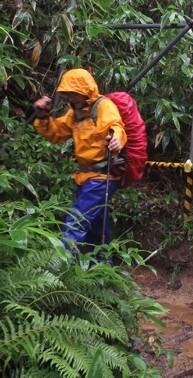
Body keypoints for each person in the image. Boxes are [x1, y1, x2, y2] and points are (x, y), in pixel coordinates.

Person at [33, 68, 126, 253]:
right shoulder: (74, 113)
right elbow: (56, 134)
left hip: (101, 177)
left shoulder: (103, 106)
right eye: (69, 94)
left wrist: (115, 139)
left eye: (76, 93)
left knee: (76, 220)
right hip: (84, 177)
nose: (73, 97)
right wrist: (42, 116)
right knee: (96, 227)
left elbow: (116, 126)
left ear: (86, 90)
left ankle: (59, 265)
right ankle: (102, 270)